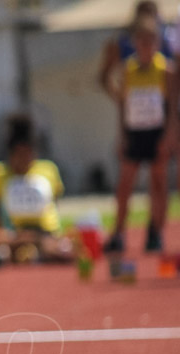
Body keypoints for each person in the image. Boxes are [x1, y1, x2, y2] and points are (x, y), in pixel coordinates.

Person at [106, 15, 176, 253]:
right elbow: (122, 107)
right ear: (134, 42)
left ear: (157, 42)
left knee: (158, 183)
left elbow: (172, 107)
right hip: (135, 132)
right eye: (141, 40)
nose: (145, 45)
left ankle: (155, 232)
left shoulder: (166, 70)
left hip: (156, 132)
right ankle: (118, 232)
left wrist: (169, 136)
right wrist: (121, 135)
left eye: (150, 40)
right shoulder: (128, 70)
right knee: (125, 184)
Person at [0, 114, 73, 262]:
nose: (23, 159)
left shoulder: (48, 170)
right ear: (10, 155)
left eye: (27, 153)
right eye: (18, 154)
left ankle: (37, 251)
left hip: (44, 232)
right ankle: (30, 253)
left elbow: (54, 206)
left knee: (62, 250)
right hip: (14, 234)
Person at [98, 1, 175, 103]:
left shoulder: (168, 40)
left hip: (163, 105)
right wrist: (121, 101)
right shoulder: (122, 43)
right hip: (135, 104)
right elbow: (104, 76)